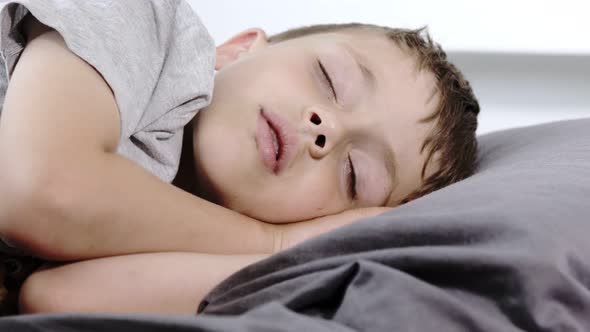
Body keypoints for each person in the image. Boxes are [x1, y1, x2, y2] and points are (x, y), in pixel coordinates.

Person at [0, 0, 479, 315]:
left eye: (356, 175)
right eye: (329, 79)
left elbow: (56, 299)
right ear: (237, 49)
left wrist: (299, 251)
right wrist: (269, 241)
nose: (325, 129)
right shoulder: (143, 18)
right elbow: (39, 190)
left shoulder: (204, 242)